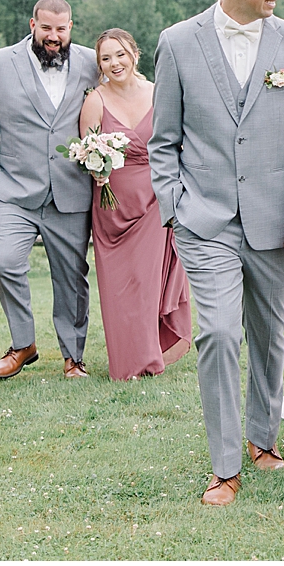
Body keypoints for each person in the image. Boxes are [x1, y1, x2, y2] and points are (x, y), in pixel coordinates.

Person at [148, 0, 284, 507]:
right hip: (204, 218)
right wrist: (175, 205)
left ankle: (263, 437)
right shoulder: (178, 43)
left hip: (275, 222)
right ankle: (224, 467)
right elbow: (163, 140)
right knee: (219, 332)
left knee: (270, 335)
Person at [0, 0, 101, 380]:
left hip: (71, 190)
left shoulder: (93, 62)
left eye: (61, 29)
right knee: (4, 262)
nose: (53, 36)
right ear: (32, 25)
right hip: (13, 191)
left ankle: (74, 357)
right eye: (46, 28)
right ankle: (23, 344)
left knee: (72, 277)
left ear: (70, 27)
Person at [78, 28, 193, 381]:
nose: (114, 63)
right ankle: (128, 360)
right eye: (106, 58)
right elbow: (86, 149)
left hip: (155, 199)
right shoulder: (95, 100)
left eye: (120, 55)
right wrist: (96, 168)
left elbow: (179, 141)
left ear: (135, 55)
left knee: (146, 282)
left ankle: (149, 357)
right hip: (113, 206)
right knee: (119, 287)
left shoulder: (160, 94)